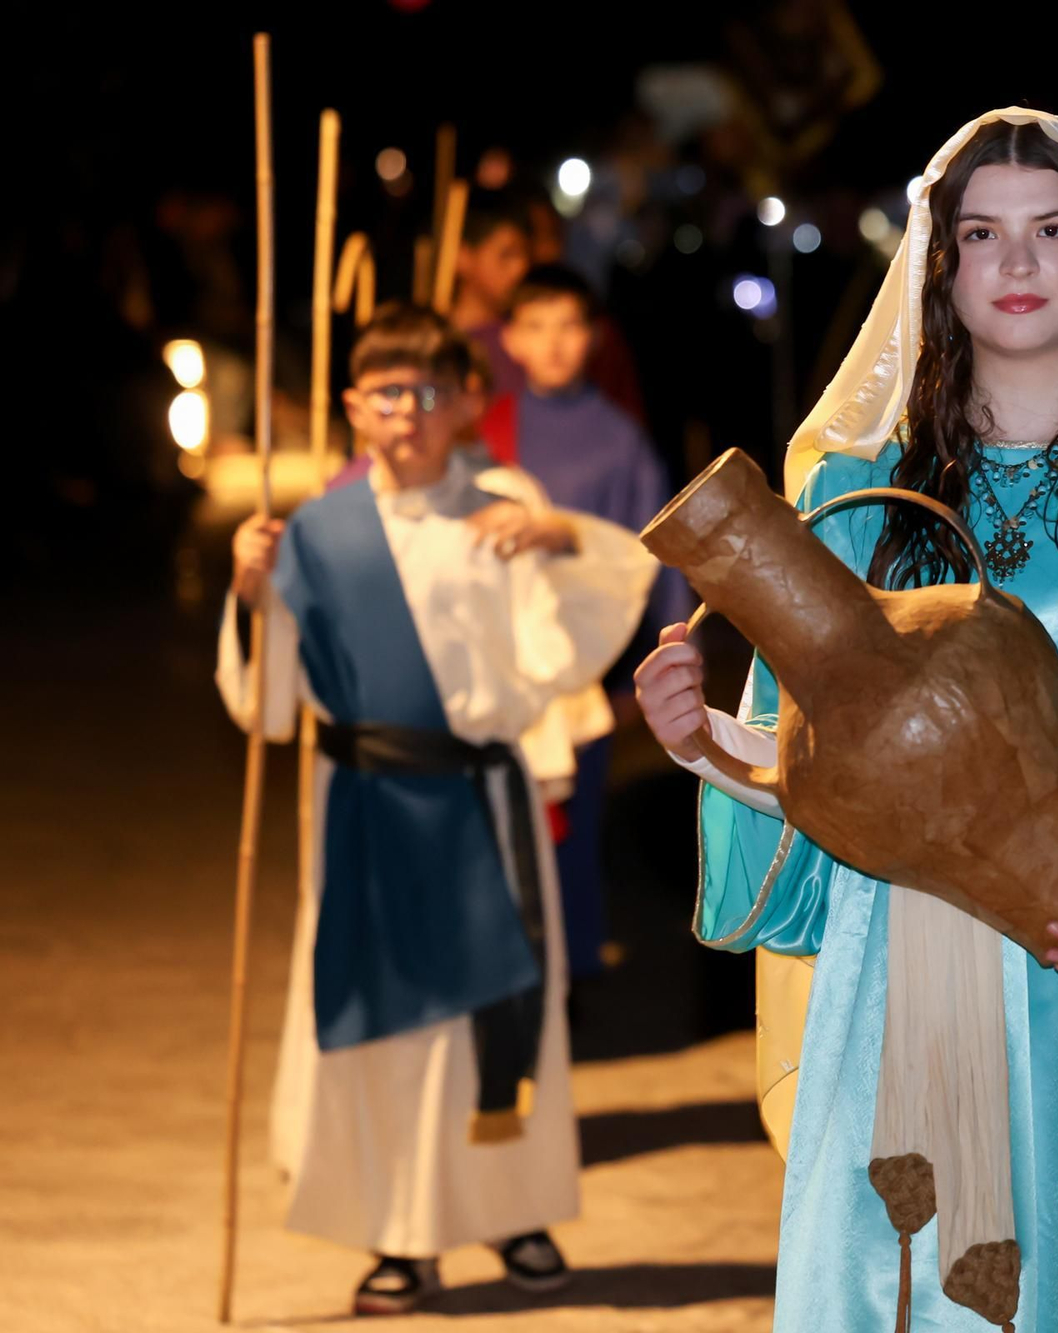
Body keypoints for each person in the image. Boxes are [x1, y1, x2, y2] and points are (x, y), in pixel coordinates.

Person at [635, 109, 1058, 1333]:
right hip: (897, 963)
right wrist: (702, 742)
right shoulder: (852, 495)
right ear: (935, 271)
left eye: (1049, 231)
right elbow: (801, 772)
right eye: (980, 234)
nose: (1013, 263)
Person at [218, 305, 655, 1314]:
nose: (406, 415)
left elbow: (574, 636)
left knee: (493, 1020)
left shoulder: (506, 503)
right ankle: (399, 1236)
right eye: (385, 395)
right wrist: (252, 592)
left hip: (476, 799)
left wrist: (558, 537)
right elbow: (268, 696)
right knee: (388, 1036)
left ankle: (513, 1213)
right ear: (353, 407)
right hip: (364, 806)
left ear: (466, 402)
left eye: (427, 393)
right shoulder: (319, 530)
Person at [488, 262, 691, 978]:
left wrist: (664, 656)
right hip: (497, 660)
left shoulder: (619, 438)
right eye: (535, 326)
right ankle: (508, 974)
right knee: (502, 821)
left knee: (574, 821)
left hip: (584, 665)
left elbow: (656, 550)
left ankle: (568, 976)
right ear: (508, 338)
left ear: (594, 337)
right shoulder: (486, 427)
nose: (553, 343)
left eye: (568, 326)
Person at [450, 190, 535, 400]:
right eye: (506, 255)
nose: (520, 268)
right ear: (463, 256)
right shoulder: (437, 340)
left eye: (526, 255)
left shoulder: (526, 339)